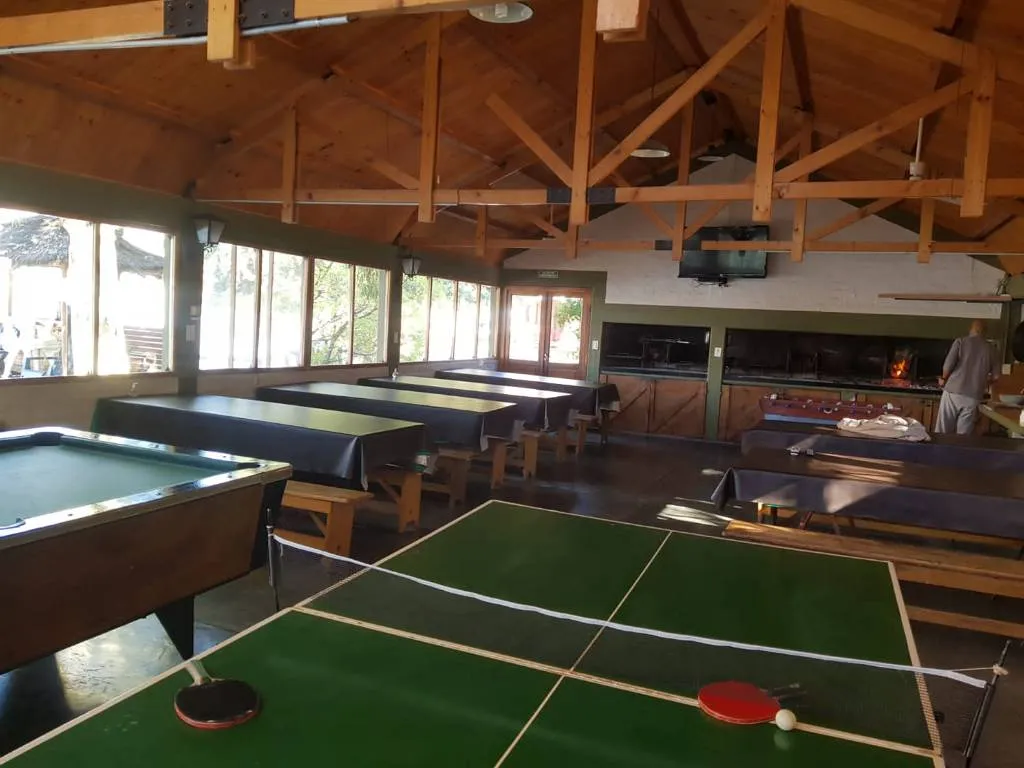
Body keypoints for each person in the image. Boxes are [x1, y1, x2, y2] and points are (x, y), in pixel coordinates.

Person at [935, 319, 1001, 435]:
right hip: (973, 396)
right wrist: (983, 383)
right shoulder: (992, 350)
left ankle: (940, 446)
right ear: (985, 332)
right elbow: (996, 377)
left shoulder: (961, 342)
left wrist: (943, 380)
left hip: (953, 392)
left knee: (943, 430)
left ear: (971, 329)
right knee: (963, 435)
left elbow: (948, 365)